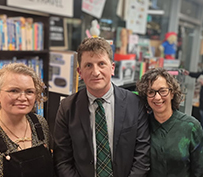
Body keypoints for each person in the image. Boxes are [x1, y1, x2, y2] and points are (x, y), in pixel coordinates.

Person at [54, 37, 150, 177]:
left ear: (112, 68)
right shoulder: (67, 108)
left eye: (101, 64)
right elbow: (62, 160)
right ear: (79, 72)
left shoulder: (135, 103)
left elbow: (142, 155)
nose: (96, 72)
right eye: (88, 65)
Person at [136, 67, 203, 177]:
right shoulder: (142, 125)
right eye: (151, 92)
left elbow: (200, 172)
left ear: (172, 93)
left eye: (163, 91)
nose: (157, 97)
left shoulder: (191, 127)